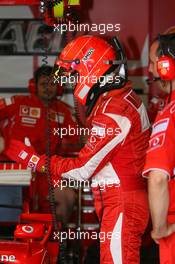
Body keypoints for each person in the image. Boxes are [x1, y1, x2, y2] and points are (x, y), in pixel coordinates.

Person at [5, 35, 150, 264]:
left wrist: (36, 160)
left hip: (121, 201)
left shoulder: (115, 109)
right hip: (119, 199)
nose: (73, 82)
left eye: (75, 75)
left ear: (90, 68)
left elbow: (82, 169)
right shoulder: (115, 100)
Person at [0, 65, 78, 224]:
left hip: (45, 171)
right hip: (12, 168)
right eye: (43, 84)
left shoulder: (65, 112)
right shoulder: (18, 102)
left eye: (52, 84)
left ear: (58, 87)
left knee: (68, 196)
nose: (48, 88)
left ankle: (56, 242)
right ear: (33, 85)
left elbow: (79, 139)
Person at [142, 29, 175, 263]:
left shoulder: (170, 113)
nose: (151, 70)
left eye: (154, 63)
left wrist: (160, 228)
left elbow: (157, 178)